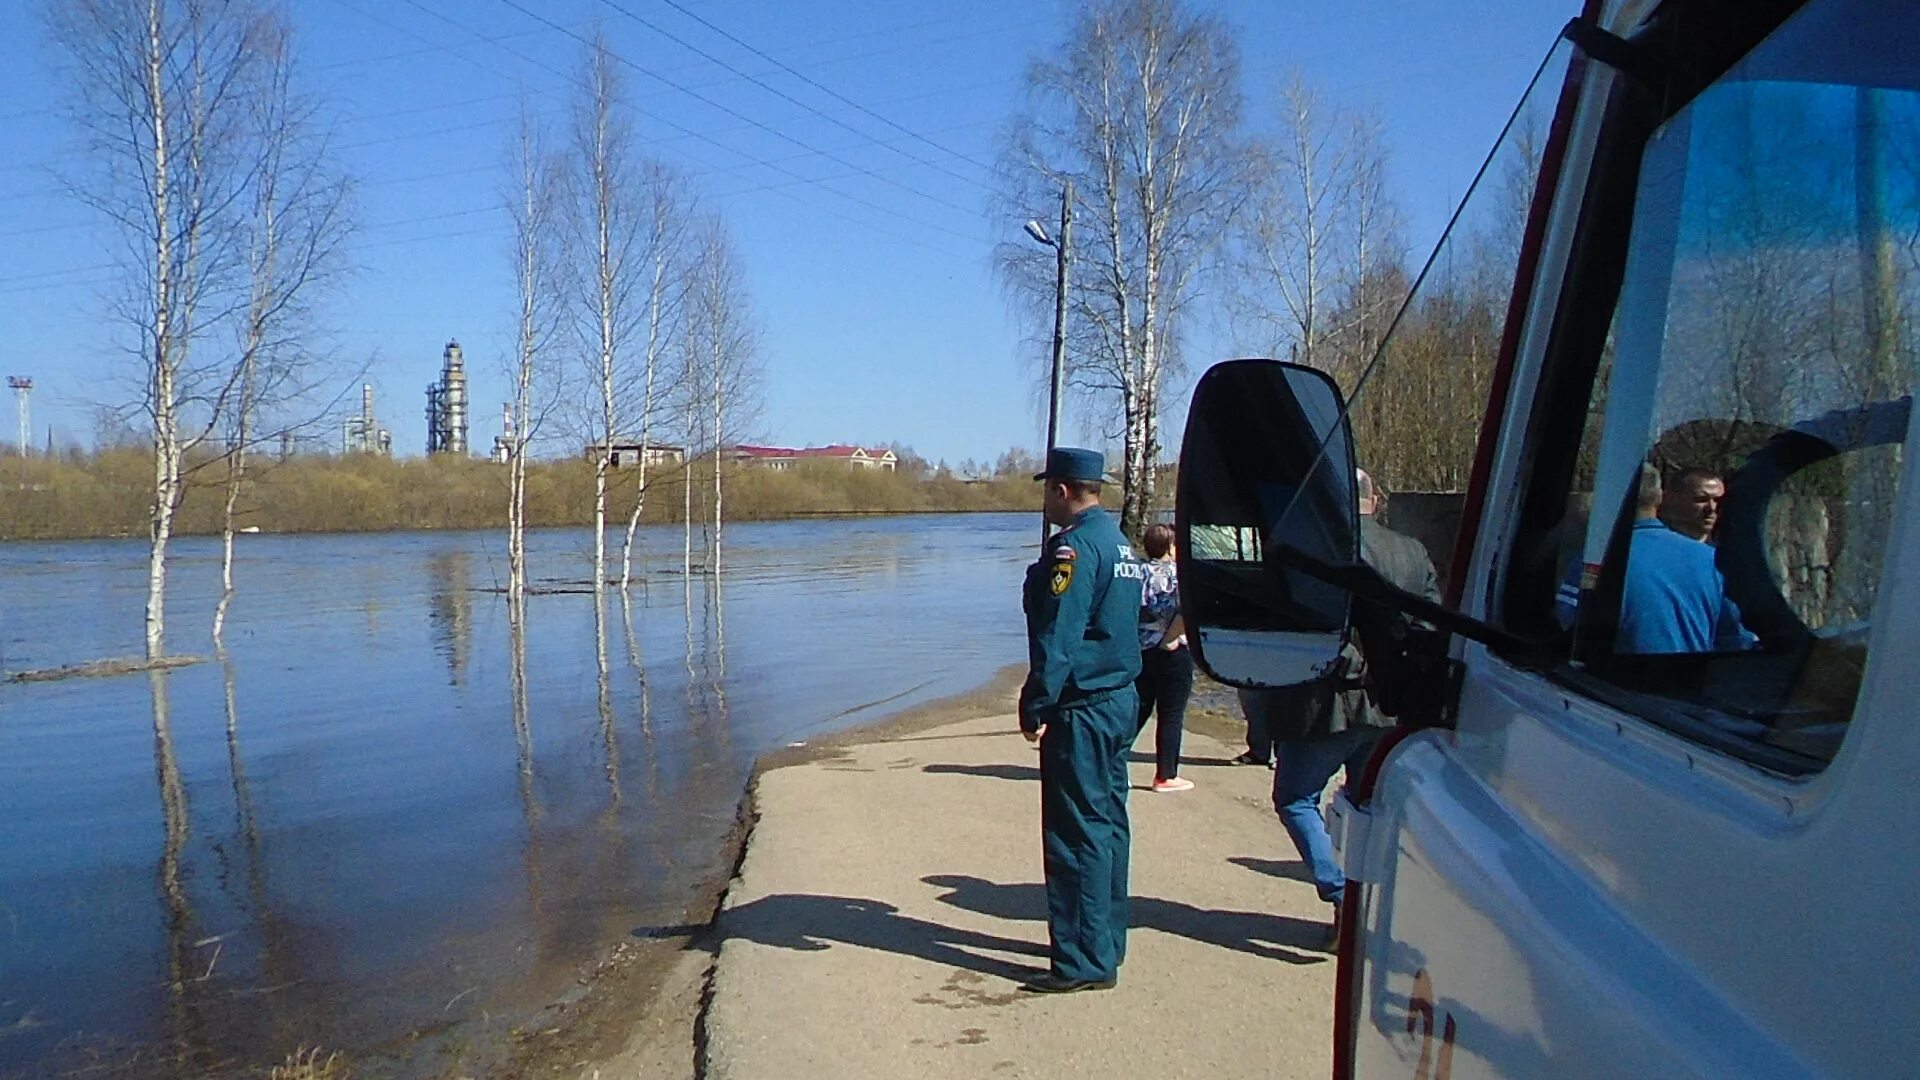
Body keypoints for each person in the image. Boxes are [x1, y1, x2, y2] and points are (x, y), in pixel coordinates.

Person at [1270, 469, 1438, 935]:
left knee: (1295, 798)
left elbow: (1306, 624)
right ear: (1376, 498)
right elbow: (1430, 624)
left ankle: (1343, 893)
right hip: (1390, 703)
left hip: (1330, 700)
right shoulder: (1413, 551)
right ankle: (1364, 907)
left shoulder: (1324, 551)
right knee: (1368, 810)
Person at [1018, 446, 1147, 993]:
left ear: (1063, 490)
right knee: (1109, 825)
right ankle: (1106, 939)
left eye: (1049, 488)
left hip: (1085, 705)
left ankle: (1082, 960)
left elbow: (1060, 634)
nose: (1045, 497)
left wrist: (1036, 702)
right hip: (1119, 697)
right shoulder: (1120, 545)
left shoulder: (1073, 550)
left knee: (1075, 833)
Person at [1133, 523, 1194, 793]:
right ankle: (1166, 774)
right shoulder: (1180, 575)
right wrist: (1171, 638)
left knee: (1139, 708)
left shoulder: (1137, 572)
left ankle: (1108, 758)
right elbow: (1187, 609)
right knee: (1171, 714)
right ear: (1170, 547)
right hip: (1172, 649)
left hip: (1142, 648)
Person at [1659, 466, 1725, 542]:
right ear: (1671, 498)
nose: (1712, 508)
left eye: (1718, 500)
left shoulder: (1725, 550)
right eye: (1701, 499)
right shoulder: (1653, 542)